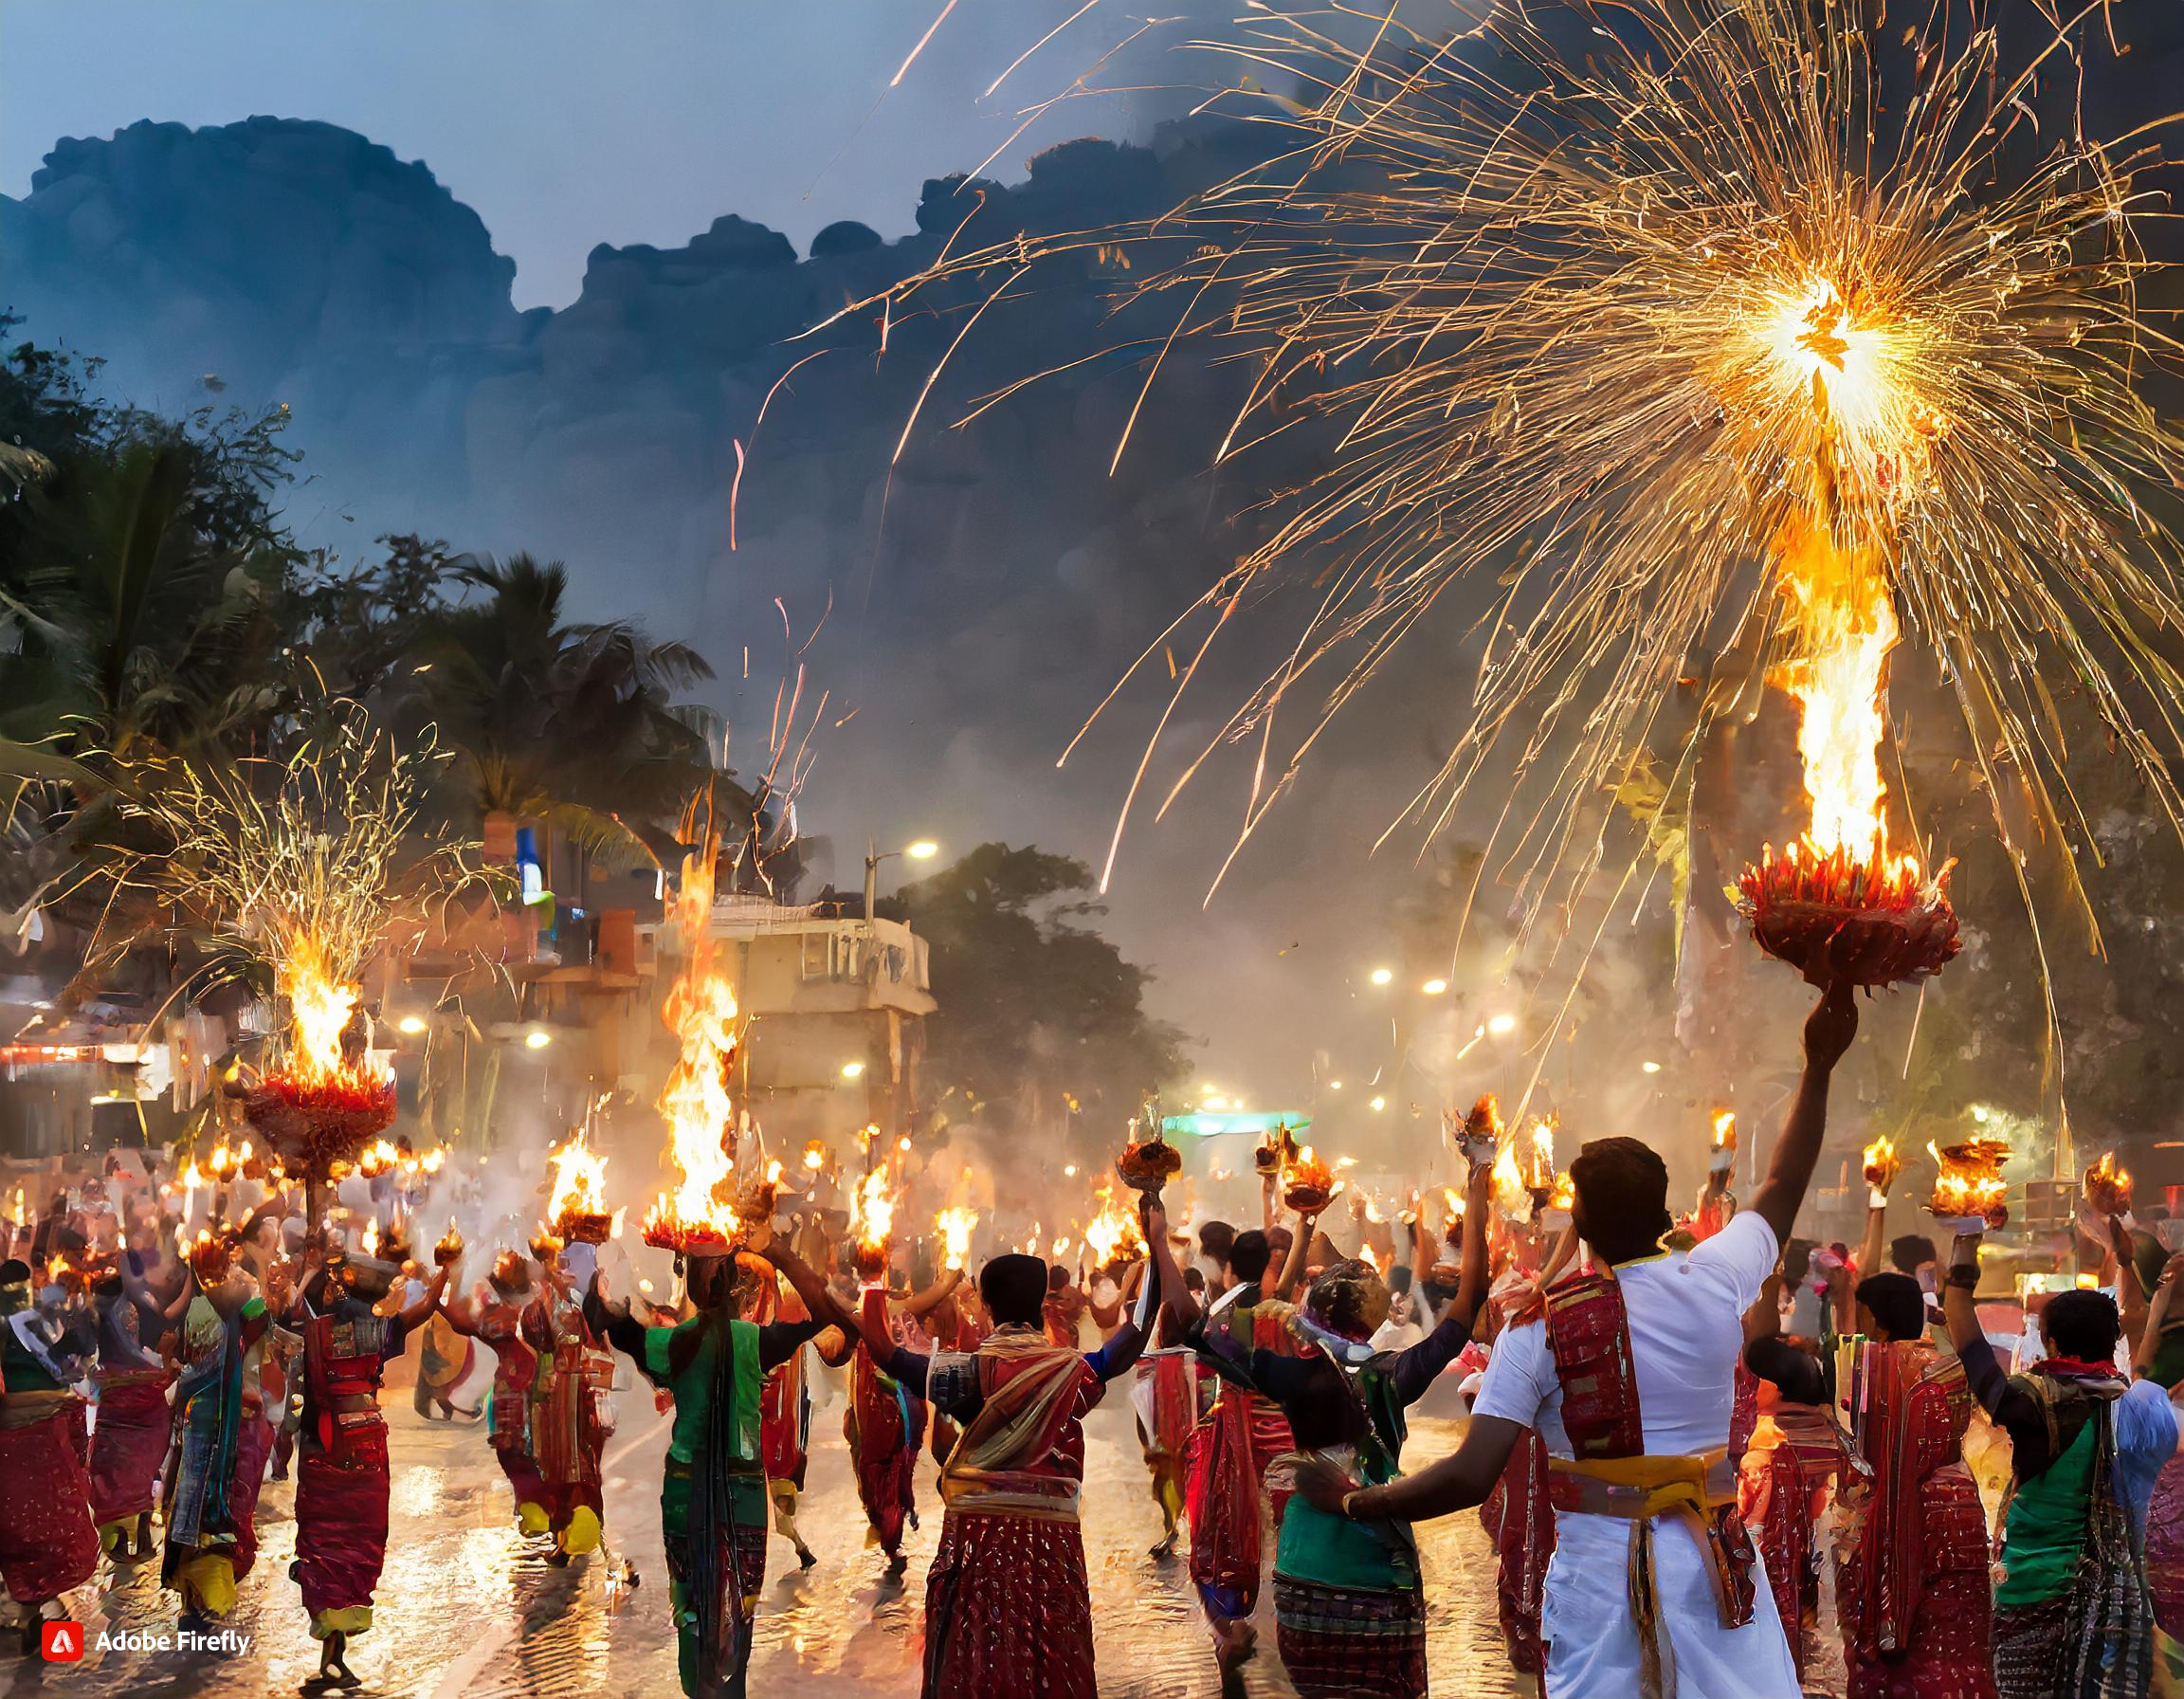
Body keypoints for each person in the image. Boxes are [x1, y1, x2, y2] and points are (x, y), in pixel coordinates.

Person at [1295, 980, 1860, 1698]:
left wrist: (1354, 1501)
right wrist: (1818, 1064)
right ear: (1662, 1212)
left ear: (1580, 1226)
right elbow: (1783, 1181)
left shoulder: (1542, 1327)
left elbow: (1471, 1476)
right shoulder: (1717, 1277)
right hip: (1713, 1568)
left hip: (1601, 1582)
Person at [855, 1198, 1180, 1699]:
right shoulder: (1073, 1371)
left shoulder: (967, 1373)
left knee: (977, 1654)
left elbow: (883, 1350)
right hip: (1051, 1547)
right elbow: (1135, 1334)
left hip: (976, 1543)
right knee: (1052, 1654)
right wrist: (1156, 1244)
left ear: (985, 1307)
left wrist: (874, 1278)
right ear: (1040, 1306)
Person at [1198, 1151, 1490, 1697]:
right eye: (1366, 1277)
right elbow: (1467, 1305)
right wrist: (1477, 1191)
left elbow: (1206, 1338)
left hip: (1303, 1571)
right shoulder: (1391, 1376)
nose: (1372, 1275)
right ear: (1364, 1311)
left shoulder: (1292, 1372)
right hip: (1373, 1571)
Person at [587, 1228, 847, 1699]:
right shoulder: (757, 1342)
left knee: (689, 1599)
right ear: (735, 1288)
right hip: (743, 1491)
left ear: (689, 1286)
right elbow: (826, 1315)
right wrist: (781, 1253)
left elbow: (616, 1328)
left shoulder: (672, 1343)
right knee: (740, 1604)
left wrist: (602, 1288)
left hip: (685, 1490)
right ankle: (730, 1688)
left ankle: (699, 1686)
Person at [1942, 1223, 2181, 1699]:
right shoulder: (2143, 1411)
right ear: (2113, 1343)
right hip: (2115, 1609)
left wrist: (1963, 1255)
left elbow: (1969, 1346)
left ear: (2048, 1342)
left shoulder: (2030, 1405)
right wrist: (2154, 1297)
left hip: (2031, 1598)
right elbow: (2144, 1368)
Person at [288, 1242, 454, 1689]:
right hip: (362, 1447)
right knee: (352, 1544)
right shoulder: (374, 1330)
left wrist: (306, 1272)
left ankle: (331, 1654)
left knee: (327, 1545)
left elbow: (285, 1312)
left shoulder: (317, 1331)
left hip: (329, 1447)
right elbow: (425, 1307)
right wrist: (446, 1270)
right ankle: (334, 1655)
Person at [1832, 1270, 1993, 1697]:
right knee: (1954, 1641)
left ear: (1875, 1320)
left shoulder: (1871, 1368)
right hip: (1957, 1511)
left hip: (1897, 1517)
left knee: (1895, 1651)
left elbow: (1866, 1464)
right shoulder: (1949, 1365)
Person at [1186, 1224, 1298, 1671]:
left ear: (1230, 1267)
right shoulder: (1284, 1312)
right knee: (1288, 1527)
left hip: (1234, 1432)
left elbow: (1204, 1357)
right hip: (1282, 1432)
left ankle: (1230, 1626)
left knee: (1222, 1527)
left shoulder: (1220, 1314)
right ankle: (1292, 1629)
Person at [162, 1240, 273, 1627]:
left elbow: (262, 1321)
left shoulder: (216, 1300)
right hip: (209, 1417)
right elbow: (262, 1320)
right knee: (201, 1506)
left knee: (194, 1506)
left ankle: (195, 1601)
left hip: (210, 1417)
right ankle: (198, 1600)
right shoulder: (224, 1300)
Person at [0, 1259, 100, 1654]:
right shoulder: (30, 1320)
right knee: (45, 1521)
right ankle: (39, 1615)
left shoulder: (24, 1321)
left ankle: (29, 1614)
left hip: (19, 1433)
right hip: (37, 1431)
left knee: (20, 1524)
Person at [1738, 1335, 1847, 1689]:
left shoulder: (1763, 1445)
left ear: (1771, 1388)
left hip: (1776, 1575)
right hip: (1822, 1586)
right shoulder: (1833, 1435)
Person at [846, 1248, 958, 1572]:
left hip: (893, 1401)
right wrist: (952, 1275)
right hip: (886, 1401)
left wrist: (951, 1278)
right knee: (890, 1468)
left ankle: (891, 1531)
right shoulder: (890, 1306)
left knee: (884, 1468)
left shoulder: (880, 1307)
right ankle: (892, 1527)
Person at [441, 1251, 549, 1537]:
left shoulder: (536, 1302)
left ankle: (539, 1508)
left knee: (524, 1451)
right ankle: (530, 1506)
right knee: (511, 1450)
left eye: (507, 1258)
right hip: (511, 1388)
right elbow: (459, 1319)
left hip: (536, 1388)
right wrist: (449, 1278)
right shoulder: (497, 1309)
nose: (500, 1259)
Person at [87, 1259, 175, 1561]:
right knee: (137, 1474)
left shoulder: (102, 1308)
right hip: (143, 1408)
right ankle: (136, 1535)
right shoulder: (141, 1304)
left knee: (119, 1477)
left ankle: (124, 1540)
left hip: (123, 1407)